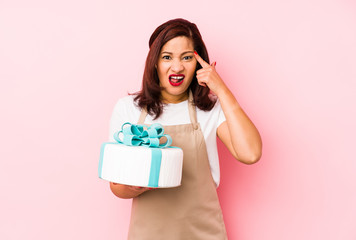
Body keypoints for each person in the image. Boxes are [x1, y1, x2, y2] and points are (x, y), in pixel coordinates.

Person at [108, 18, 262, 240]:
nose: (177, 66)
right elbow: (116, 187)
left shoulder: (209, 109)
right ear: (154, 62)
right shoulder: (129, 110)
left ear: (199, 63)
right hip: (149, 234)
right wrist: (137, 184)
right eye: (167, 57)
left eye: (187, 57)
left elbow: (251, 153)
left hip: (203, 233)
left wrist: (221, 89)